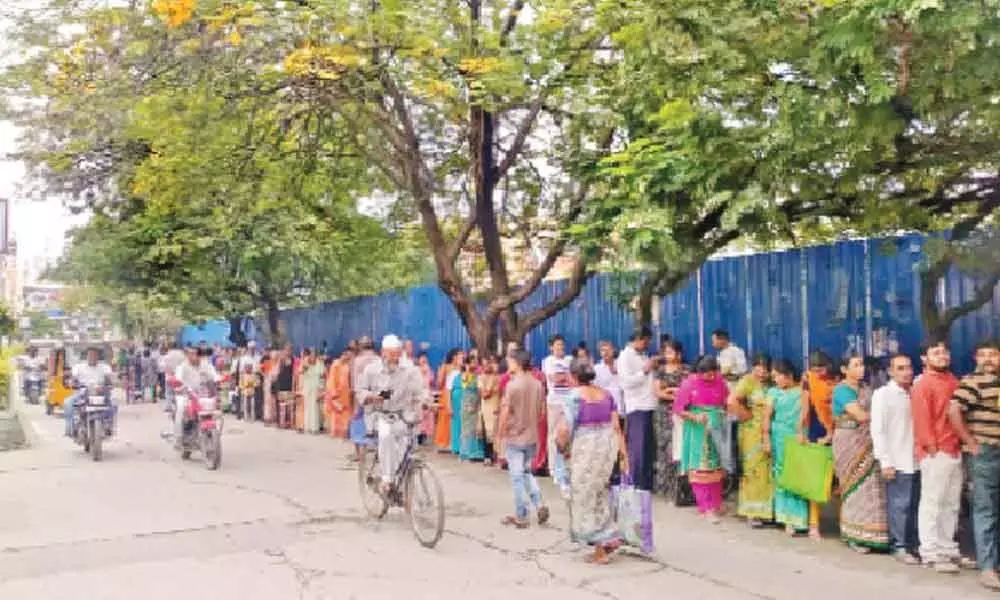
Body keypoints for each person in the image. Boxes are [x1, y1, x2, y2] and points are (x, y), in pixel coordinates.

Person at [559, 360, 627, 564]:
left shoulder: (573, 397)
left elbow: (563, 431)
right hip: (607, 450)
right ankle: (606, 540)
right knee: (600, 493)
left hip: (586, 451)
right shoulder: (607, 395)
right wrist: (624, 455)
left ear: (573, 376)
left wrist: (561, 449)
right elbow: (616, 427)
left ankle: (600, 550)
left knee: (583, 497)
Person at [949, 339, 1000, 589]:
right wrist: (969, 441)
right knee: (985, 509)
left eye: (994, 355)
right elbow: (954, 409)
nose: (989, 359)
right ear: (976, 359)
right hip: (985, 452)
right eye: (984, 355)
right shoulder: (971, 382)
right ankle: (988, 568)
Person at [911, 339, 963, 574]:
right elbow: (921, 419)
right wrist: (931, 448)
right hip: (936, 451)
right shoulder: (923, 384)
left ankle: (947, 548)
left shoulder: (953, 380)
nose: (942, 355)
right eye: (936, 352)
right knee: (932, 503)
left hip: (954, 449)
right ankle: (930, 552)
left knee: (951, 504)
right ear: (924, 358)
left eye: (944, 351)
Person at [354, 335, 428, 494]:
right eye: (391, 354)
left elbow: (420, 390)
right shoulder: (372, 369)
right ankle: (387, 479)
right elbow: (360, 391)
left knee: (405, 443)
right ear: (383, 353)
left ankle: (397, 478)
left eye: (397, 354)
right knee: (386, 435)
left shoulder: (409, 370)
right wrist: (372, 397)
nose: (395, 358)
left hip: (402, 415)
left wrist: (426, 401)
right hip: (379, 413)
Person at [831, 353, 889, 553]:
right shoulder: (841, 391)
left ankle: (874, 533)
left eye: (862, 365)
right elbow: (860, 415)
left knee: (872, 487)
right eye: (855, 365)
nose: (861, 369)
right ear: (844, 370)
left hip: (869, 441)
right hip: (849, 441)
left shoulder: (867, 389)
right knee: (854, 486)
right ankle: (854, 535)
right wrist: (884, 417)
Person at [870, 353, 920, 565]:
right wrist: (885, 460)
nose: (906, 372)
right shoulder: (884, 394)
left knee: (916, 504)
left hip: (918, 458)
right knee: (900, 504)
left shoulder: (915, 392)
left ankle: (913, 544)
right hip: (897, 459)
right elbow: (878, 430)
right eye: (900, 368)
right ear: (890, 372)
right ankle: (899, 545)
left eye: (908, 367)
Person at [496, 349, 549, 529]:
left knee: (517, 476)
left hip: (515, 436)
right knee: (527, 472)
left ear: (517, 363)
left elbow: (504, 413)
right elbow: (542, 411)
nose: (508, 364)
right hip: (532, 436)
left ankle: (521, 514)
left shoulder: (512, 386)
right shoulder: (538, 384)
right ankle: (539, 504)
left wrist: (500, 435)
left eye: (510, 360)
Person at [675, 355, 729, 523]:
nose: (712, 377)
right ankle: (705, 507)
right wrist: (694, 416)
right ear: (699, 372)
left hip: (718, 428)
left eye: (714, 373)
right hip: (698, 430)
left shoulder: (721, 382)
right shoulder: (689, 384)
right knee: (701, 468)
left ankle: (716, 503)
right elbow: (679, 409)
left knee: (717, 467)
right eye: (708, 374)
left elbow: (727, 401)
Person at [728, 353, 774, 526]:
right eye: (758, 367)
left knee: (768, 471)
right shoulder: (747, 382)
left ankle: (766, 511)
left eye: (765, 368)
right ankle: (751, 512)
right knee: (753, 469)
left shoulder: (770, 384)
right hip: (750, 433)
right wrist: (745, 415)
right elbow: (731, 402)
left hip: (769, 431)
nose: (762, 371)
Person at [767, 359, 810, 535]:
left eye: (777, 376)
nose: (775, 380)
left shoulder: (802, 392)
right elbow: (767, 416)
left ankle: (799, 519)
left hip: (798, 437)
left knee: (798, 475)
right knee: (782, 473)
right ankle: (785, 519)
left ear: (788, 375)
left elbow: (805, 413)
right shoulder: (773, 392)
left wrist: (800, 431)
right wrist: (766, 438)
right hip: (779, 436)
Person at [801, 350, 836, 537]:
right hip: (817, 430)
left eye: (821, 369)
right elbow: (805, 408)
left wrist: (833, 432)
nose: (818, 373)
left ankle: (843, 522)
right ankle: (814, 525)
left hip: (839, 431)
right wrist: (803, 432)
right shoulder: (808, 379)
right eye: (814, 370)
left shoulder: (836, 379)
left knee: (839, 481)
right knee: (816, 478)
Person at [618, 327, 657, 497]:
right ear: (639, 339)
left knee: (648, 448)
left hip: (649, 405)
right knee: (638, 448)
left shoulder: (642, 355)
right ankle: (637, 484)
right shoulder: (625, 357)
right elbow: (626, 383)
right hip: (637, 407)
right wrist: (645, 370)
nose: (648, 345)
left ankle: (646, 484)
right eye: (647, 341)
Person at [653, 340, 689, 497]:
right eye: (666, 352)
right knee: (664, 448)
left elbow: (690, 391)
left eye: (671, 352)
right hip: (664, 415)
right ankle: (664, 487)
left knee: (680, 448)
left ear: (679, 354)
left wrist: (673, 391)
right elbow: (658, 392)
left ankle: (680, 488)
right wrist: (674, 393)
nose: (668, 355)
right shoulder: (660, 371)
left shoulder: (686, 370)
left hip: (682, 414)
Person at [542, 334, 573, 497]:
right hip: (554, 402)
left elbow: (573, 379)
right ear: (551, 347)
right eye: (557, 345)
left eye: (562, 345)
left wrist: (566, 378)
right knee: (553, 435)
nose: (560, 348)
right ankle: (553, 468)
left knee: (568, 435)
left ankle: (566, 467)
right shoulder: (549, 361)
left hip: (568, 402)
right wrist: (565, 377)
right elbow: (554, 378)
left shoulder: (569, 360)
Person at [171, 346, 221, 447]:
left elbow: (214, 375)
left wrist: (219, 379)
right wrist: (178, 385)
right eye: (190, 354)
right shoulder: (183, 366)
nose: (193, 356)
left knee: (214, 409)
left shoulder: (206, 365)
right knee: (181, 408)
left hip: (202, 394)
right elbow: (177, 378)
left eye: (195, 354)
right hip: (186, 394)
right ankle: (178, 437)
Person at [64, 347, 115, 438]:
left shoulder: (104, 367)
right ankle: (70, 428)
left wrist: (109, 384)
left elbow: (109, 380)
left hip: (101, 393)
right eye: (90, 355)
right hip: (82, 392)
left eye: (95, 355)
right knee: (68, 402)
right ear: (86, 356)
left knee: (113, 404)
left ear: (98, 356)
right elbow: (73, 379)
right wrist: (73, 382)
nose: (92, 357)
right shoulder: (79, 367)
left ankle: (108, 425)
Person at [349, 337, 380, 461]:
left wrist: (355, 403)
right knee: (377, 424)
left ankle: (359, 453)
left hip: (363, 397)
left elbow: (355, 384)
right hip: (377, 397)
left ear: (360, 347)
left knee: (357, 424)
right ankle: (379, 453)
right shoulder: (379, 360)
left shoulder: (357, 361)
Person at [435, 349, 464, 452]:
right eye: (459, 356)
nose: (461, 358)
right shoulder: (446, 367)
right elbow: (439, 383)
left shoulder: (462, 368)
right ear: (453, 356)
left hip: (458, 395)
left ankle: (455, 442)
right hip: (447, 394)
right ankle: (443, 443)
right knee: (445, 419)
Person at [458, 356, 486, 461]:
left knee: (475, 428)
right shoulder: (465, 376)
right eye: (473, 362)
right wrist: (466, 369)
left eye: (476, 362)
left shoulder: (477, 376)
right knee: (466, 428)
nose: (475, 364)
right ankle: (465, 452)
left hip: (476, 403)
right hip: (467, 404)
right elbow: (465, 386)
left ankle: (475, 452)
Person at [324, 347, 354, 438]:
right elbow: (332, 380)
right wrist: (333, 393)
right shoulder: (336, 364)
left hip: (346, 393)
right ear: (343, 354)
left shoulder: (348, 365)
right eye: (348, 356)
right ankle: (335, 431)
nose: (349, 358)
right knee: (336, 413)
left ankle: (344, 432)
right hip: (337, 393)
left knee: (345, 413)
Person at [479, 355, 500, 465]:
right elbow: (484, 395)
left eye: (491, 363)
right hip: (486, 408)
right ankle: (487, 456)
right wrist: (492, 384)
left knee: (496, 432)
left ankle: (496, 456)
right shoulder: (481, 378)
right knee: (487, 432)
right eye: (485, 364)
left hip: (497, 407)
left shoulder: (500, 378)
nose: (488, 366)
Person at [300, 348, 326, 434]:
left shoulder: (320, 364)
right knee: (308, 408)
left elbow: (322, 376)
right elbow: (300, 372)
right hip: (308, 388)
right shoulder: (305, 363)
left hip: (316, 388)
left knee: (315, 408)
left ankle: (315, 427)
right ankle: (308, 427)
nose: (312, 357)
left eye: (314, 355)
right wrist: (305, 368)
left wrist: (321, 389)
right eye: (311, 355)